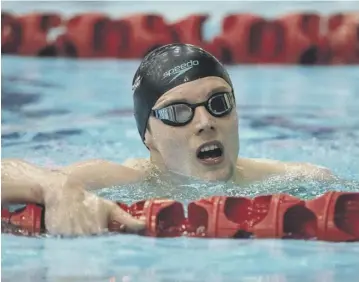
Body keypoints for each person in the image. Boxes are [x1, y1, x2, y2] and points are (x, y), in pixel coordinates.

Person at [1, 43, 334, 236]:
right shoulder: (119, 179)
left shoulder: (297, 181)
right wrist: (55, 187)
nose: (205, 123)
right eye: (178, 112)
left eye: (219, 104)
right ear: (148, 136)